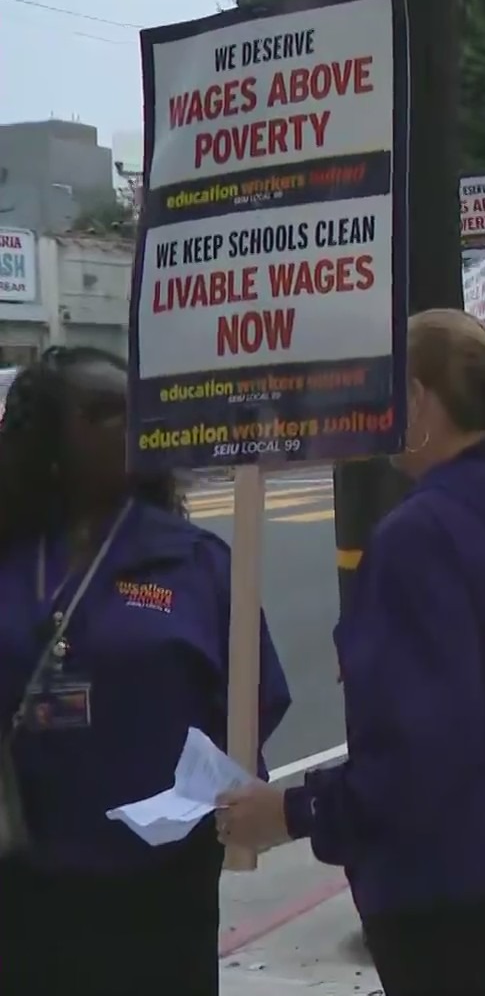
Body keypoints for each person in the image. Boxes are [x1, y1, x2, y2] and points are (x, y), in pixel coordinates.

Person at [216, 310, 485, 996]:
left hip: (451, 870)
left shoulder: (421, 533)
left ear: (422, 399)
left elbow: (415, 757)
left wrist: (290, 813)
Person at [0, 347, 291, 995]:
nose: (127, 424)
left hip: (159, 892)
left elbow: (250, 707)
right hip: (22, 888)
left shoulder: (196, 563)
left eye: (133, 408)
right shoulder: (11, 557)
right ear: (47, 436)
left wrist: (223, 795)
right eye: (101, 413)